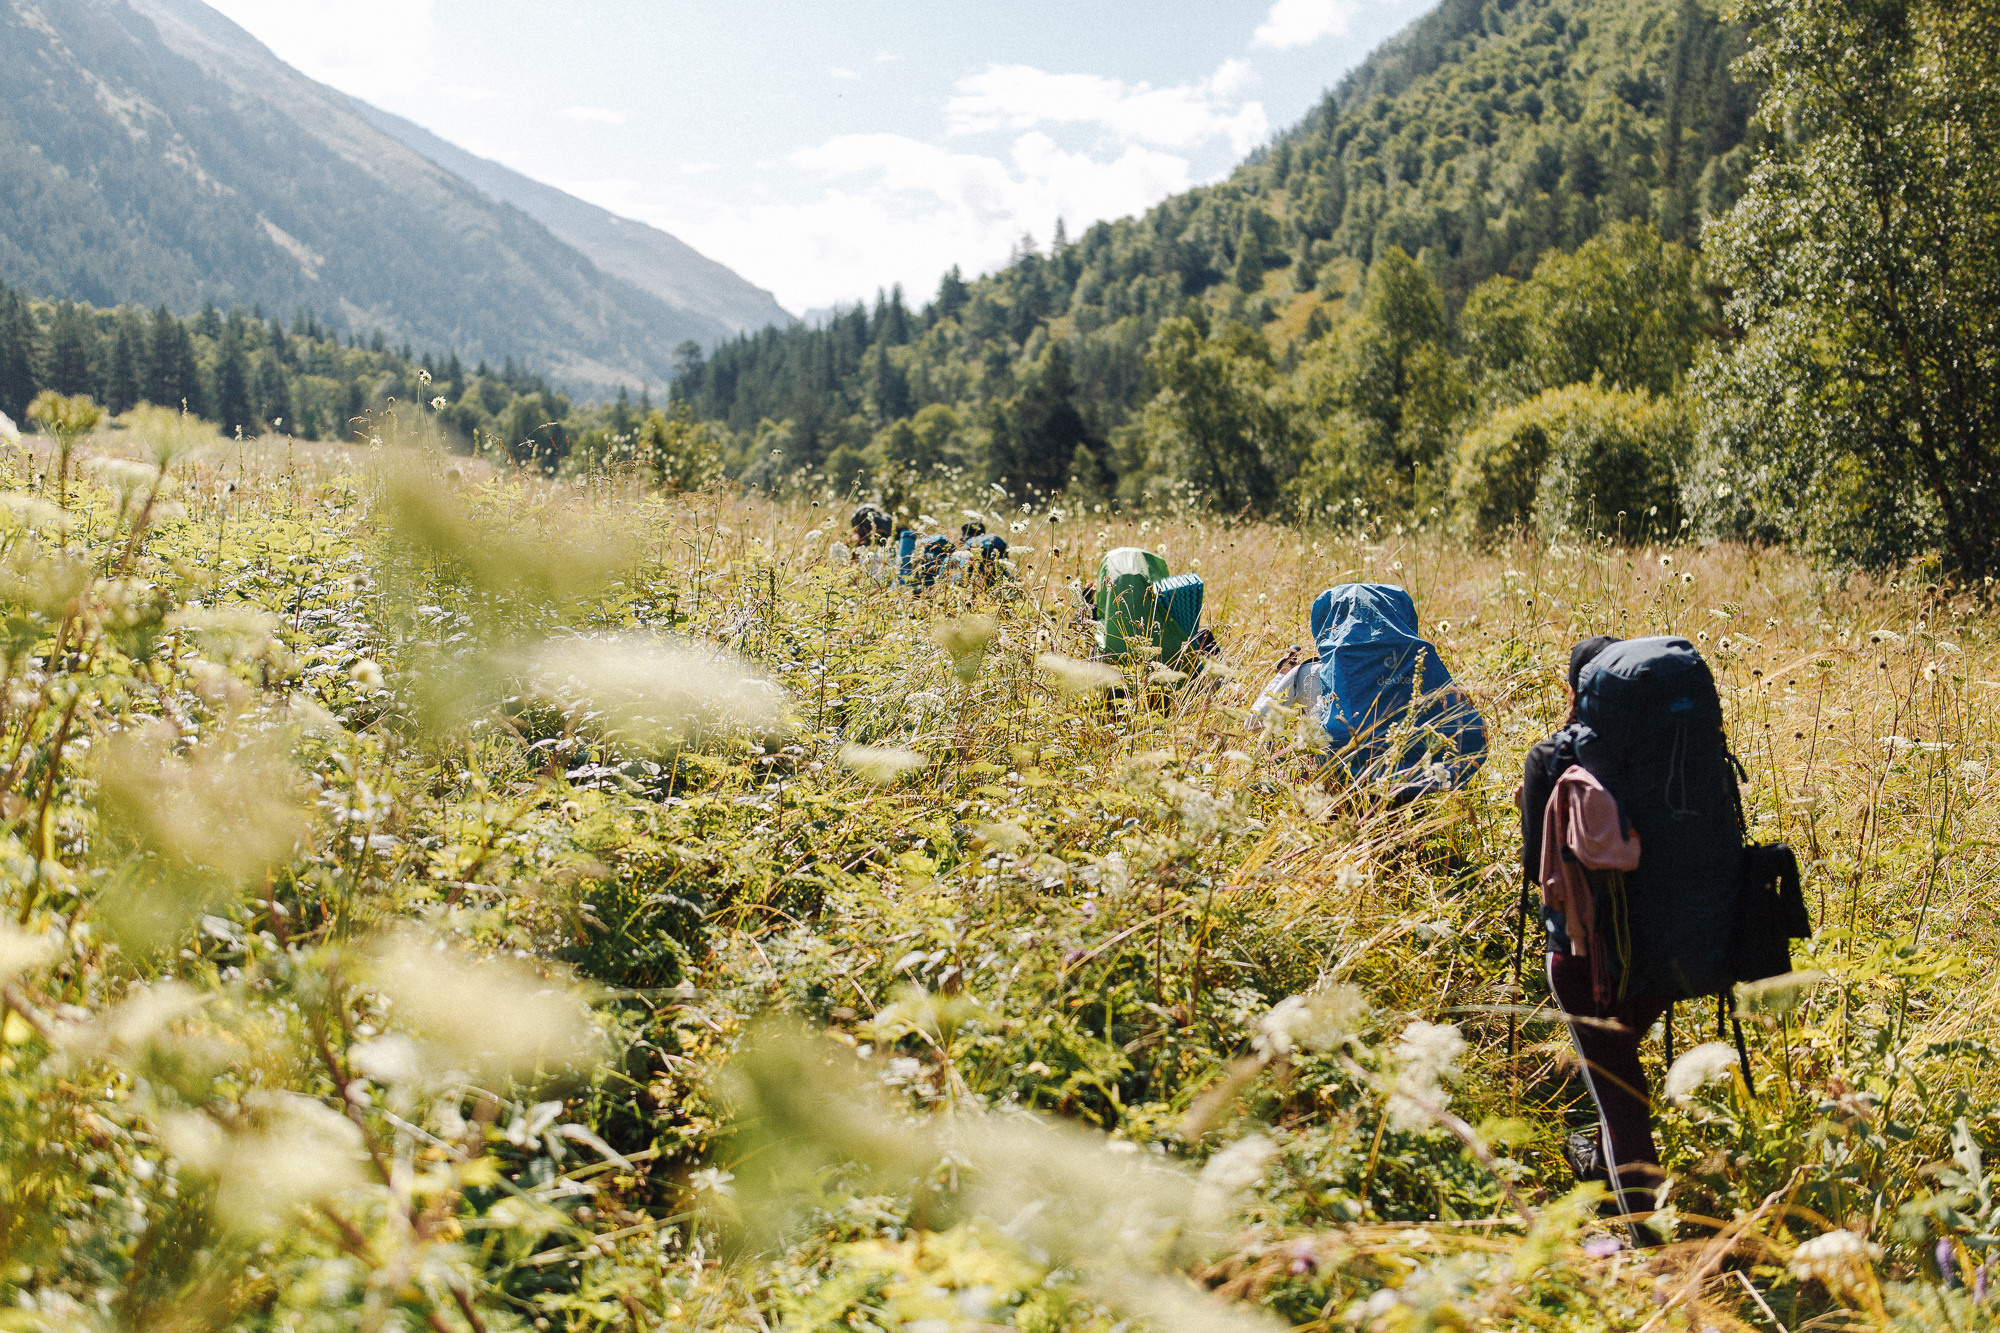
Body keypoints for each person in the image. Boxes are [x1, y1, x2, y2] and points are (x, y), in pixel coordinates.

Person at [1519, 634, 1670, 1233]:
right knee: (1621, 1077)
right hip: (1663, 952)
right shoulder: (1666, 754)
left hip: (1584, 960)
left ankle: (1653, 1245)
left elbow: (1539, 866)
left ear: (1574, 690)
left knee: (1620, 1102)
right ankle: (1603, 1175)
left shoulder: (1552, 757)